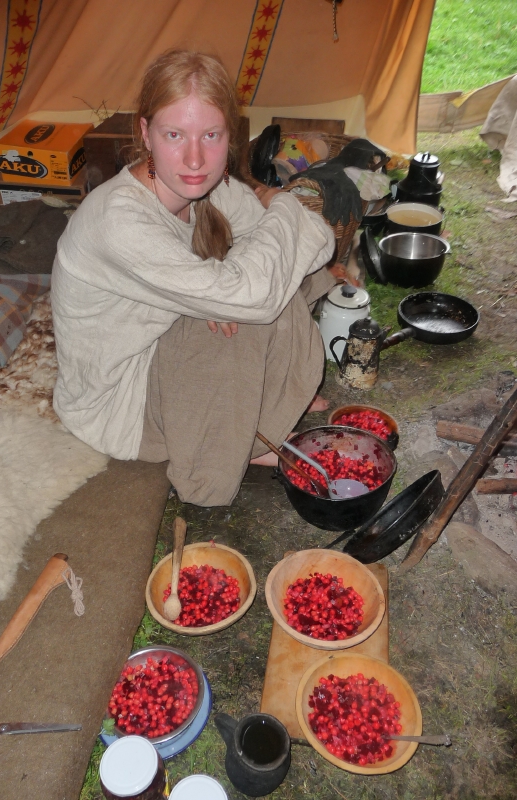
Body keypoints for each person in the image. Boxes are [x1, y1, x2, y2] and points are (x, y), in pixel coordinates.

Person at [51, 50, 337, 507]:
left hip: (161, 350)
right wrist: (284, 204)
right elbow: (260, 287)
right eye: (173, 134)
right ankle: (222, 455)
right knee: (251, 304)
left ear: (230, 134)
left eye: (210, 134)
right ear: (145, 132)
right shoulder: (118, 221)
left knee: (282, 274)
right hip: (120, 404)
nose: (194, 158)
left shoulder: (209, 186)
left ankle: (271, 408)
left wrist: (231, 284)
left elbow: (318, 241)